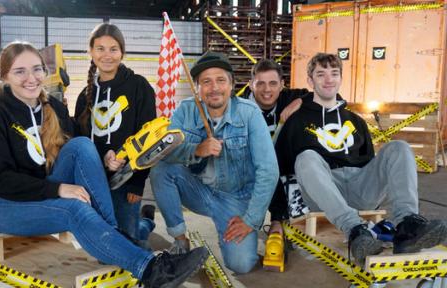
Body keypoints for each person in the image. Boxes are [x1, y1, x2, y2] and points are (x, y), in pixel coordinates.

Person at [0, 41, 208, 287]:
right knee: (76, 210)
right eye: (20, 71)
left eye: (37, 69)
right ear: (5, 76)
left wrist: (105, 157)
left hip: (40, 188)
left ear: (45, 71)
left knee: (83, 145)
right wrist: (59, 190)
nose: (31, 78)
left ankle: (110, 234)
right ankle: (151, 270)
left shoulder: (53, 108)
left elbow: (80, 156)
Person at [276, 52, 447, 265]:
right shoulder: (296, 121)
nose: (329, 79)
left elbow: (369, 163)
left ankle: (407, 224)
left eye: (334, 73)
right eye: (321, 74)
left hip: (360, 188)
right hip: (323, 190)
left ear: (341, 78)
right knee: (306, 157)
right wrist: (278, 219)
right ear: (310, 81)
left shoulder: (356, 121)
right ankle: (355, 231)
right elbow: (280, 172)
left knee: (399, 147)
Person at [150, 51, 278, 274]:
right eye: (206, 82)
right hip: (198, 191)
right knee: (162, 169)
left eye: (220, 80)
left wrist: (251, 220)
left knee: (241, 265)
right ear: (197, 88)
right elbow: (166, 153)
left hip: (235, 199)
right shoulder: (185, 110)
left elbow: (269, 171)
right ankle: (180, 242)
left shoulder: (249, 114)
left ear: (232, 85)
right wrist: (197, 149)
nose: (214, 88)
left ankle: (233, 235)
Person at [74, 23, 156, 246]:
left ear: (122, 52)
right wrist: (103, 158)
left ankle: (146, 222)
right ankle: (145, 222)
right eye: (100, 48)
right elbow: (80, 141)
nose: (107, 55)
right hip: (96, 180)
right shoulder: (85, 95)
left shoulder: (139, 87)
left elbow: (148, 138)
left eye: (113, 49)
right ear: (90, 52)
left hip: (126, 179)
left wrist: (137, 184)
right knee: (102, 246)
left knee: (125, 243)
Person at [242, 59, 308, 235]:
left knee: (279, 159)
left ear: (282, 85)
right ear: (251, 85)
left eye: (273, 83)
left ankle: (278, 219)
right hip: (247, 169)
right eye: (260, 83)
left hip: (282, 166)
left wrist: (300, 102)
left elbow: (334, 98)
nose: (267, 90)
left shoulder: (290, 98)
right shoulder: (239, 107)